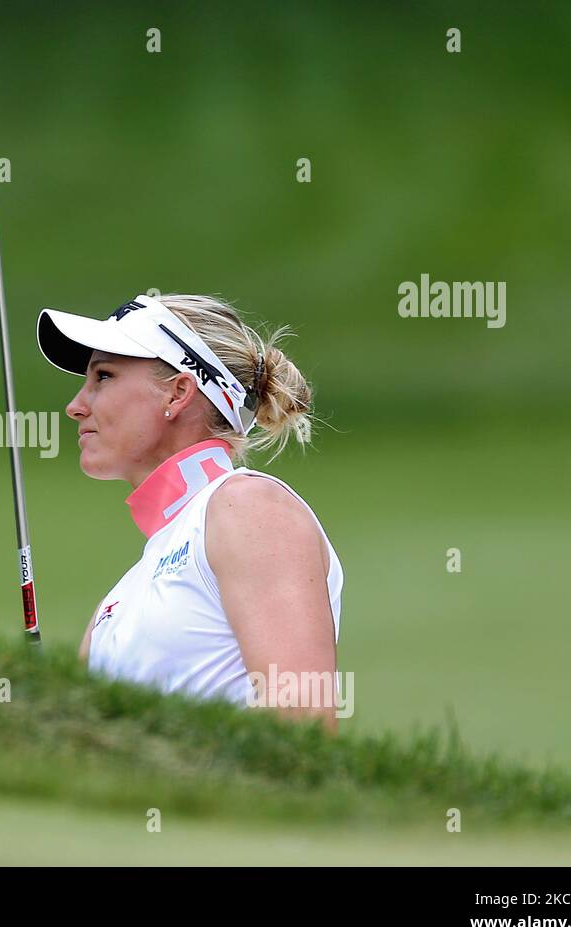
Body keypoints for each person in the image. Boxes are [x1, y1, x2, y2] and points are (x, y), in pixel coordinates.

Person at [36, 293, 344, 730]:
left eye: (103, 376)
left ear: (179, 392)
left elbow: (304, 717)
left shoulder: (246, 506)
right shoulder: (119, 599)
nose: (75, 406)